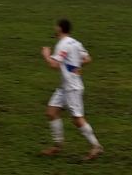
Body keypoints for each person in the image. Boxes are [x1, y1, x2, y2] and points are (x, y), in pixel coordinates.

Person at [39, 18, 102, 160]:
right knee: (51, 112)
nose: (54, 29)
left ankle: (96, 146)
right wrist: (74, 67)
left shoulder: (62, 45)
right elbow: (88, 59)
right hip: (65, 86)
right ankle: (57, 146)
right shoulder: (75, 42)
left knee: (77, 119)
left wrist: (46, 55)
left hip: (72, 87)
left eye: (56, 27)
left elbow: (54, 65)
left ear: (60, 29)